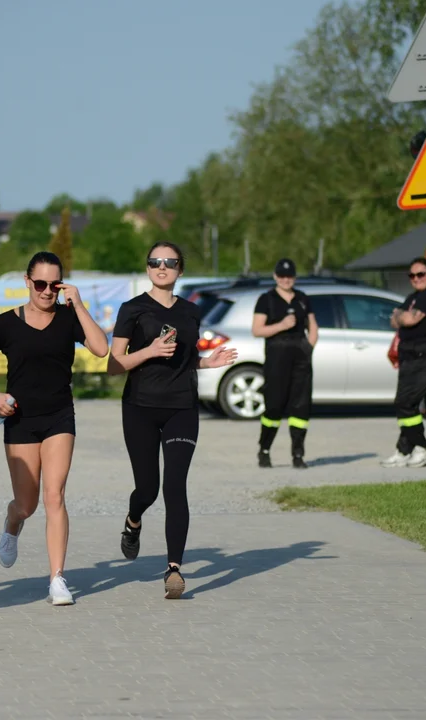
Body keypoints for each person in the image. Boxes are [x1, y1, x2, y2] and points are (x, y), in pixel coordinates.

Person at [0, 251, 108, 606]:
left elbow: (101, 348)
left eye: (54, 284)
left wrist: (77, 305)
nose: (47, 291)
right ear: (28, 282)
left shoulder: (68, 317)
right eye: (41, 284)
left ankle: (58, 579)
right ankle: (12, 521)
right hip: (19, 420)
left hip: (59, 416)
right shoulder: (6, 323)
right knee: (27, 504)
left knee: (55, 495)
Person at [107, 242, 237, 599]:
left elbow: (184, 359)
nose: (161, 266)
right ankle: (133, 523)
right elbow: (113, 364)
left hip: (182, 407)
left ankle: (174, 570)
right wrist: (148, 351)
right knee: (147, 489)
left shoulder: (192, 312)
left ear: (180, 270)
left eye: (169, 262)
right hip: (140, 408)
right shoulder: (132, 309)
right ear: (148, 268)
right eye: (154, 262)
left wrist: (207, 364)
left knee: (175, 486)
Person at [251, 258, 318, 469]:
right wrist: (281, 325)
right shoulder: (266, 299)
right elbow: (257, 330)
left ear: (294, 277)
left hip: (300, 356)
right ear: (275, 277)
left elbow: (313, 326)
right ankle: (264, 449)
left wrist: (309, 347)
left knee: (300, 407)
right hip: (277, 355)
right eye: (282, 276)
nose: (286, 280)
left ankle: (298, 454)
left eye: (289, 276)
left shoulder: (302, 298)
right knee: (274, 405)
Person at [382, 257, 426, 468]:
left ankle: (422, 447)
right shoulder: (413, 297)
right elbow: (394, 320)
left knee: (406, 402)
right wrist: (402, 315)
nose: (416, 279)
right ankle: (404, 450)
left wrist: (402, 316)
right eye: (412, 275)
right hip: (409, 354)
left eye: (420, 274)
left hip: (425, 352)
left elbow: (409, 320)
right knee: (403, 402)